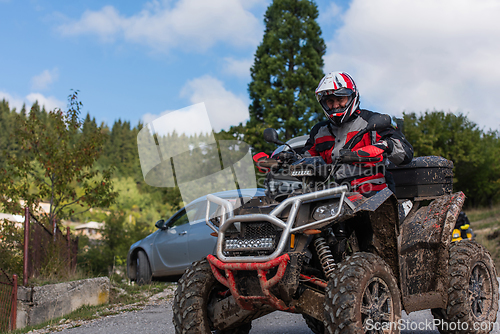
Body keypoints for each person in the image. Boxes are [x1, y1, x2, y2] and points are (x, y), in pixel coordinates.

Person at [303, 71, 414, 196]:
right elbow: (308, 160)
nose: (335, 105)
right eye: (330, 101)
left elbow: (406, 154)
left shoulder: (372, 121)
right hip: (336, 194)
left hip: (375, 193)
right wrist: (288, 160)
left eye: (340, 99)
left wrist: (381, 147)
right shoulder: (318, 131)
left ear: (352, 97)